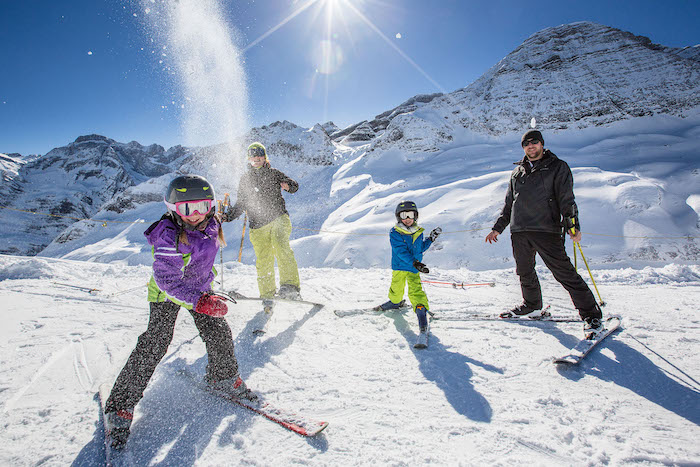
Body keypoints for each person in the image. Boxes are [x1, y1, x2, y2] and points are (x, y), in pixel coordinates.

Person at [104, 174, 255, 449]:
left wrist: (205, 293)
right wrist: (198, 302)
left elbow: (206, 254)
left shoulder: (211, 222)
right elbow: (167, 281)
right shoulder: (168, 235)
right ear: (173, 209)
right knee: (156, 341)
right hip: (167, 293)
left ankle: (223, 377)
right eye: (187, 209)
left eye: (201, 206)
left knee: (218, 329)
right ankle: (120, 405)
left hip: (198, 289)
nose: (195, 215)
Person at [485, 129, 603, 338]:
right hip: (520, 230)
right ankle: (532, 305)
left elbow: (566, 199)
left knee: (564, 273)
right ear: (523, 147)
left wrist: (572, 225)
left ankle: (591, 315)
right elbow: (509, 204)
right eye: (526, 144)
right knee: (525, 272)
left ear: (541, 144)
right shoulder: (517, 172)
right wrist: (498, 228)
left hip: (546, 229)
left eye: (534, 142)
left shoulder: (557, 167)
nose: (531, 146)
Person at [223, 142, 301, 307]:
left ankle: (290, 287)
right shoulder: (245, 179)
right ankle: (267, 294)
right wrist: (228, 216)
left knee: (281, 246)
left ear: (265, 157)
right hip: (257, 226)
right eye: (253, 157)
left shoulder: (274, 173)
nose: (256, 160)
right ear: (249, 159)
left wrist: (289, 186)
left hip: (278, 218)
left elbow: (294, 185)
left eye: (259, 156)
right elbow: (241, 203)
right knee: (263, 259)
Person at [376, 200, 442, 332]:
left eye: (410, 215)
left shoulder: (418, 231)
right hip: (400, 266)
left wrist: (430, 239)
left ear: (415, 216)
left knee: (416, 290)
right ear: (398, 217)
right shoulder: (395, 232)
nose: (407, 219)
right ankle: (395, 302)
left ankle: (421, 309)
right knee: (396, 288)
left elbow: (420, 248)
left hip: (413, 268)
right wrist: (415, 262)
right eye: (404, 215)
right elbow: (400, 251)